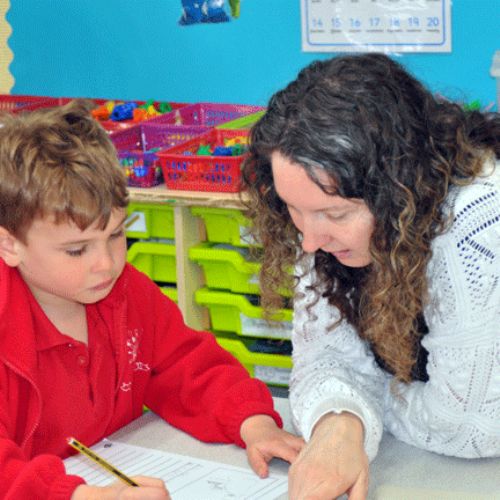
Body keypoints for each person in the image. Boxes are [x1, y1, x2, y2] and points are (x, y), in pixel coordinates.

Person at [0, 100, 305, 499]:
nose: (106, 263)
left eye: (115, 235)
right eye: (77, 250)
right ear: (9, 245)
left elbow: (188, 366)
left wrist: (253, 423)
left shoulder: (126, 292)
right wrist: (80, 496)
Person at [241, 53, 500, 499]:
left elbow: (470, 427)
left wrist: (361, 406)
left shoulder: (477, 217)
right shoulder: (323, 219)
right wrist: (337, 421)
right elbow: (321, 358)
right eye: (294, 209)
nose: (309, 241)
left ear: (399, 190)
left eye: (335, 214)